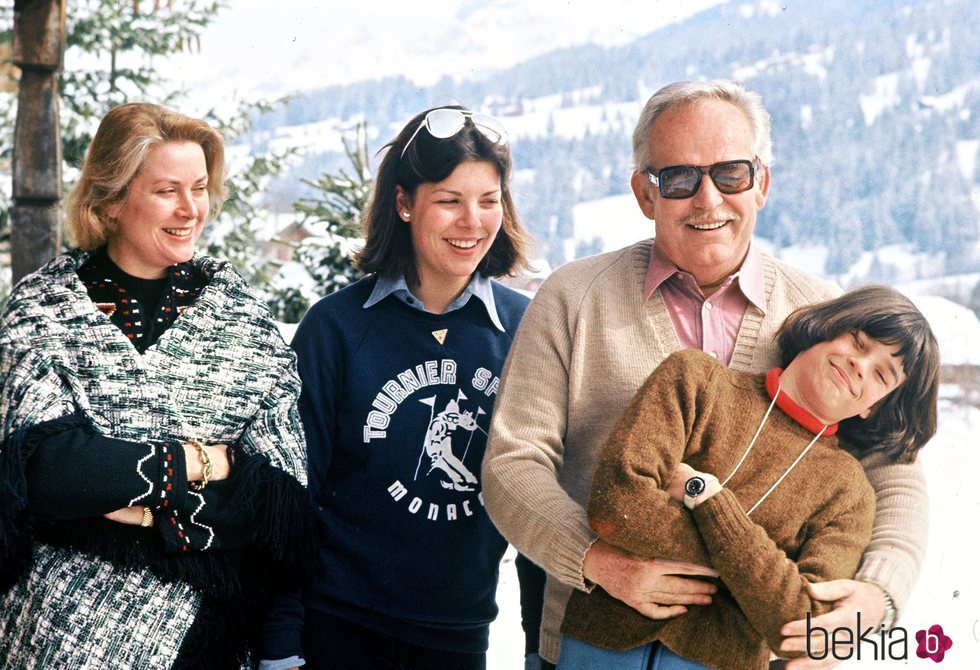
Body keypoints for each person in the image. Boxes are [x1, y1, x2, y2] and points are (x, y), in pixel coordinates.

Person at [482, 79, 930, 670]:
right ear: (646, 193)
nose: (708, 199)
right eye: (680, 179)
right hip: (590, 638)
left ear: (762, 183)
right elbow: (514, 462)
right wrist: (597, 559)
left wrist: (877, 594)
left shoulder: (824, 320)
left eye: (731, 174)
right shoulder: (574, 297)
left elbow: (892, 474)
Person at [0, 102, 317, 669]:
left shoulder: (243, 321)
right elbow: (43, 472)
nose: (190, 209)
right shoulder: (42, 309)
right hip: (50, 636)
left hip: (202, 644)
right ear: (112, 199)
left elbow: (277, 509)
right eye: (168, 190)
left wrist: (144, 509)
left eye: (199, 188)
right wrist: (203, 462)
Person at [262, 106, 533, 670]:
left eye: (489, 201)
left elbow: (539, 498)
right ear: (405, 203)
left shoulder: (526, 329)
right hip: (338, 631)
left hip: (458, 634)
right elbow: (289, 498)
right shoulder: (335, 329)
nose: (473, 221)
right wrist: (280, 644)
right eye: (450, 200)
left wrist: (540, 648)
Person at [557, 286, 939, 669]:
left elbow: (803, 623)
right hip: (597, 645)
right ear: (825, 328)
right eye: (858, 343)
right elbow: (615, 504)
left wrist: (706, 496)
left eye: (881, 375)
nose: (860, 365)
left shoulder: (849, 493)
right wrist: (758, 582)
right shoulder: (696, 381)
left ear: (875, 407)